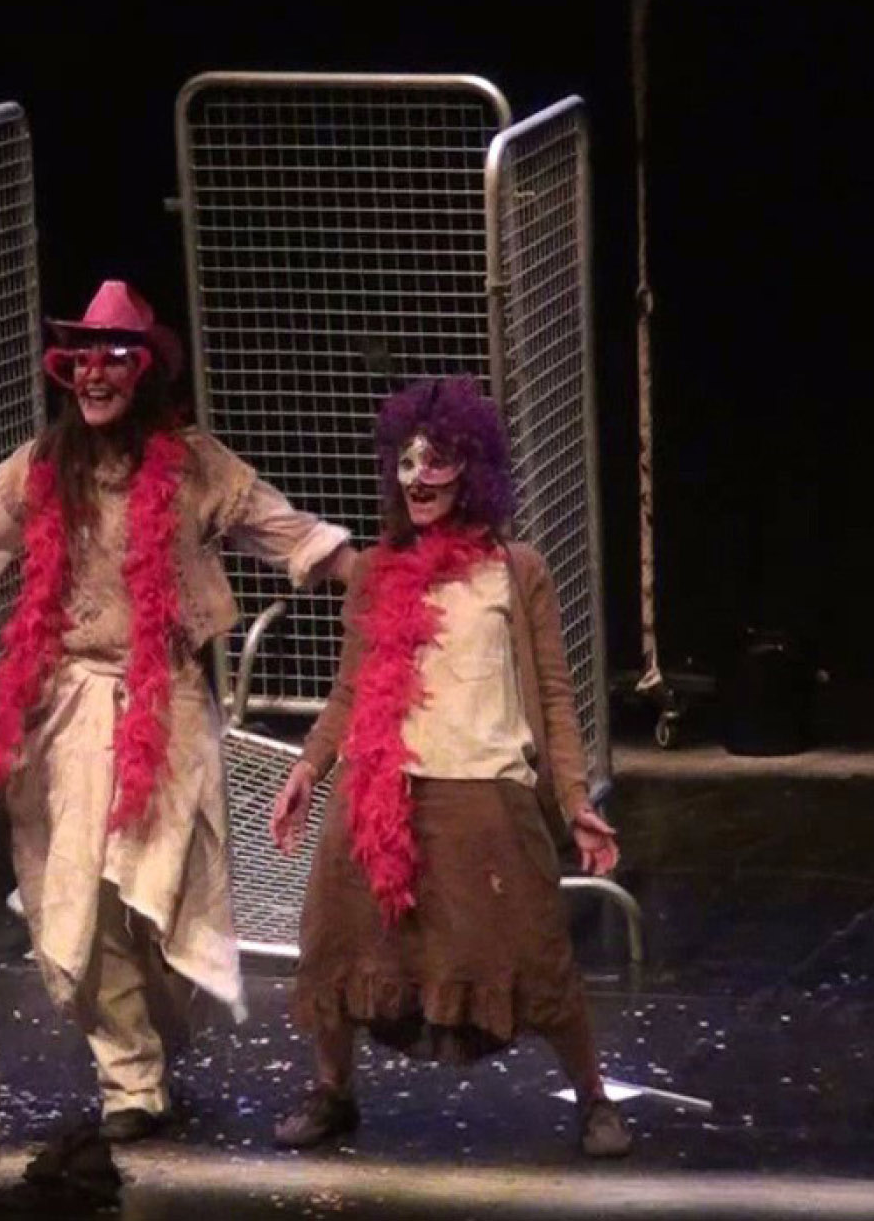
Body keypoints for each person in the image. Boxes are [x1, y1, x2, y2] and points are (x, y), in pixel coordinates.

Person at [0, 281, 353, 1141]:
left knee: (162, 899)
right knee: (77, 901)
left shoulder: (195, 465)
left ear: (143, 373)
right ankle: (128, 1078)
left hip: (165, 705)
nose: (95, 375)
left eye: (114, 358)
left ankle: (155, 1037)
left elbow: (283, 529)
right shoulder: (41, 466)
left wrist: (374, 574)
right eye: (81, 360)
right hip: (64, 708)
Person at [267, 375, 631, 1158]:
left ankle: (593, 1097)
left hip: (484, 795)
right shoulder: (374, 570)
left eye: (436, 462)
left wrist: (574, 799)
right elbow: (348, 690)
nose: (418, 478)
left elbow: (554, 698)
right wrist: (309, 766)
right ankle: (332, 1092)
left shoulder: (515, 568)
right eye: (406, 462)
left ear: (473, 470)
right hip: (379, 790)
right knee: (335, 939)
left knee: (533, 951)